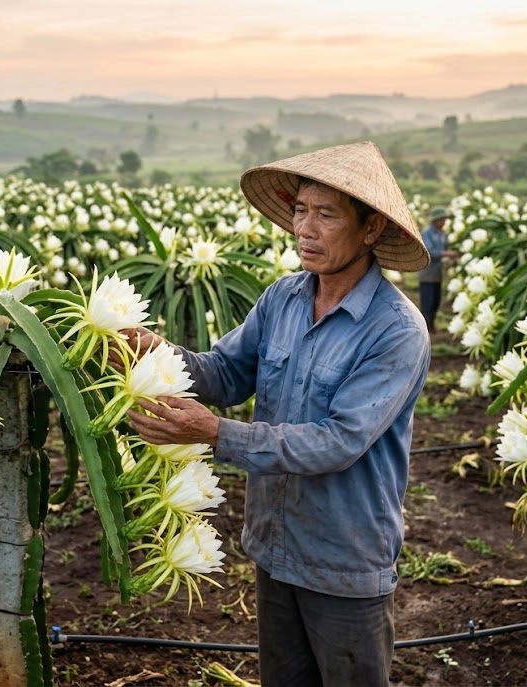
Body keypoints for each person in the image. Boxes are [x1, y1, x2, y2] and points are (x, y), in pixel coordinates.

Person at [122, 142, 431, 687]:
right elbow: (224, 372)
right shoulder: (282, 298)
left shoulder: (397, 331)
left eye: (327, 214)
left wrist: (213, 433)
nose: (305, 230)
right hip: (273, 546)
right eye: (300, 210)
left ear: (372, 229)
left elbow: (337, 442)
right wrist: (155, 351)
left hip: (344, 561)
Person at [418, 205, 455, 333]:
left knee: (435, 301)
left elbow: (445, 248)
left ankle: (432, 325)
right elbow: (429, 251)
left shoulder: (443, 234)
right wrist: (446, 254)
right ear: (436, 220)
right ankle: (425, 328)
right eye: (442, 219)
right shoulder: (427, 233)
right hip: (427, 273)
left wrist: (449, 257)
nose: (444, 221)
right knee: (427, 302)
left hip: (437, 274)